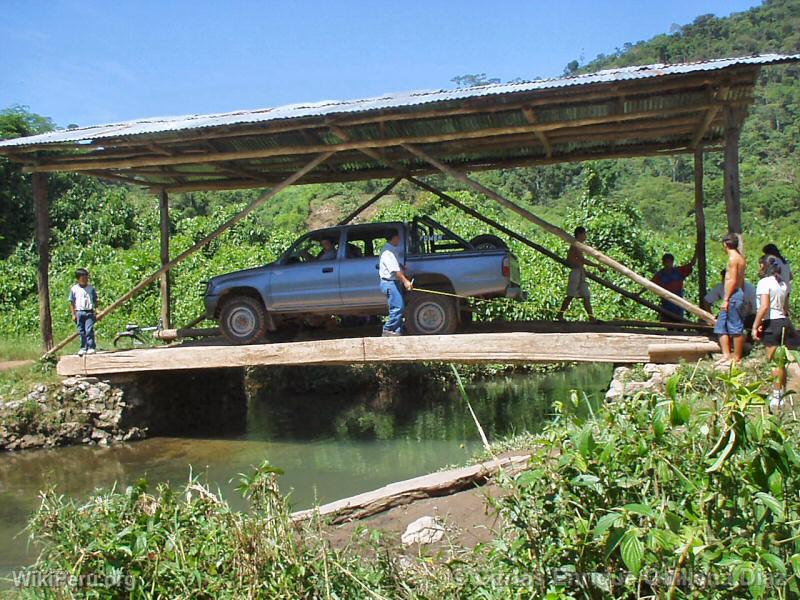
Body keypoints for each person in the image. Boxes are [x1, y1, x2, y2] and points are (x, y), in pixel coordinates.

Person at [751, 255, 796, 412]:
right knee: (781, 362)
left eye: (760, 265)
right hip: (783, 321)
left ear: (764, 266)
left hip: (772, 323)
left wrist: (755, 325)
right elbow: (785, 308)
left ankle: (776, 397)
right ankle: (780, 393)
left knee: (774, 363)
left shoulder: (764, 283)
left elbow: (763, 307)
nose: (759, 268)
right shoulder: (782, 283)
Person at [557, 226, 605, 322]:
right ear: (580, 234)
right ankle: (560, 315)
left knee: (586, 296)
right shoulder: (575, 245)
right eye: (584, 234)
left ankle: (591, 317)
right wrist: (597, 266)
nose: (585, 236)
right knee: (570, 295)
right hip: (576, 272)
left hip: (580, 272)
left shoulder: (578, 245)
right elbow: (582, 260)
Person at [715, 233, 746, 366]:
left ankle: (737, 357)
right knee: (721, 325)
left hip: (733, 294)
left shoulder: (734, 258)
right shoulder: (739, 257)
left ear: (725, 244)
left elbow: (732, 280)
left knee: (735, 326)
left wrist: (726, 299)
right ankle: (726, 354)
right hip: (733, 293)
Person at [379, 231, 413, 336]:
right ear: (393, 237)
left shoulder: (392, 250)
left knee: (397, 306)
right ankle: (387, 328)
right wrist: (406, 281)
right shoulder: (388, 252)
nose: (399, 240)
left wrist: (402, 267)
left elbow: (396, 264)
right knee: (398, 307)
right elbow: (394, 270)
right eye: (398, 238)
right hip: (390, 283)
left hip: (393, 282)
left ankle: (397, 331)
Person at [652, 250, 697, 322]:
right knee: (668, 324)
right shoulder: (660, 275)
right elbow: (649, 284)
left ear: (672, 262)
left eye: (669, 262)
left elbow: (691, 264)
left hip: (678, 303)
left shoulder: (679, 271)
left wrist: (696, 252)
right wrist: (638, 293)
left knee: (679, 323)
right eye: (666, 262)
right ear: (663, 263)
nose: (667, 264)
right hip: (666, 303)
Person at [69, 268, 98, 356]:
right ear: (78, 279)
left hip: (89, 312)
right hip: (79, 312)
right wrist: (73, 314)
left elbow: (95, 300)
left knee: (89, 330)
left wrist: (97, 309)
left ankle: (91, 347)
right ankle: (83, 347)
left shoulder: (90, 288)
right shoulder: (74, 289)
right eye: (83, 278)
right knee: (81, 331)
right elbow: (71, 302)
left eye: (86, 278)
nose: (85, 280)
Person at [763, 243, 792, 313]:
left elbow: (773, 276)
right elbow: (791, 276)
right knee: (784, 311)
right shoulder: (784, 262)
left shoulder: (775, 262)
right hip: (786, 289)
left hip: (777, 290)